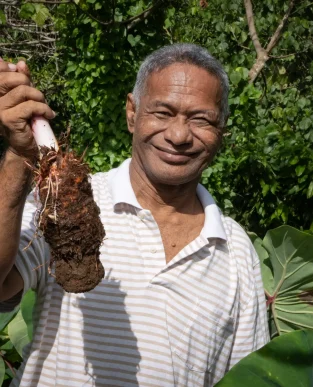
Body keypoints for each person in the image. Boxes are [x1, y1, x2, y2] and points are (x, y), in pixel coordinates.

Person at [0, 43, 269, 387]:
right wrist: (18, 155)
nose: (178, 135)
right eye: (163, 112)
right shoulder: (63, 201)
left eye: (201, 119)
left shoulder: (236, 251)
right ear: (132, 112)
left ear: (221, 131)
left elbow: (246, 379)